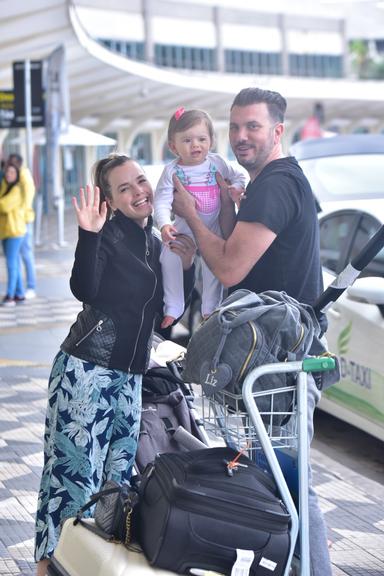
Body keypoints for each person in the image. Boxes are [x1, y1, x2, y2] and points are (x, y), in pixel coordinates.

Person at [172, 87, 331, 576]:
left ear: (278, 130)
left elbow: (229, 267)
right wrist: (223, 206)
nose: (241, 137)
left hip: (278, 365)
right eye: (235, 126)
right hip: (275, 360)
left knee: (286, 486)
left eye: (254, 127)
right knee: (277, 484)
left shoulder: (276, 184)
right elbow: (241, 247)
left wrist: (192, 215)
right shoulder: (274, 182)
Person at [34, 154, 195, 576]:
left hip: (130, 378)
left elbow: (168, 314)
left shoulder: (153, 242)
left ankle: (90, 565)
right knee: (72, 478)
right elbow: (84, 288)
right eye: (125, 189)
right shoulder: (106, 235)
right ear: (110, 200)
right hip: (86, 372)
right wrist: (88, 234)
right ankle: (48, 567)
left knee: (118, 483)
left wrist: (188, 266)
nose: (139, 192)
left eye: (140, 181)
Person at [154, 107, 247, 329]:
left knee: (212, 267)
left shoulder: (217, 163)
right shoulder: (172, 171)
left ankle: (209, 308)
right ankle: (173, 305)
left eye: (201, 139)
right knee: (168, 258)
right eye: (187, 140)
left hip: (213, 228)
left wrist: (235, 188)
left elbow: (239, 175)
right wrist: (165, 224)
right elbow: (162, 201)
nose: (195, 145)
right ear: (173, 146)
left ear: (211, 141)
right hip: (184, 229)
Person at [7, 153, 37, 299]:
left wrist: (22, 215)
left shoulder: (23, 175)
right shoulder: (18, 176)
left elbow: (28, 198)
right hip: (20, 220)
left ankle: (31, 286)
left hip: (24, 220)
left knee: (26, 253)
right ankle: (20, 289)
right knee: (18, 256)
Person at [0, 163, 26, 306]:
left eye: (12, 172)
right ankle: (20, 294)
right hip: (6, 231)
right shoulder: (5, 186)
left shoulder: (17, 189)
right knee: (14, 262)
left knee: (11, 264)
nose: (9, 174)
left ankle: (10, 296)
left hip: (14, 231)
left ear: (17, 175)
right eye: (7, 172)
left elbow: (4, 206)